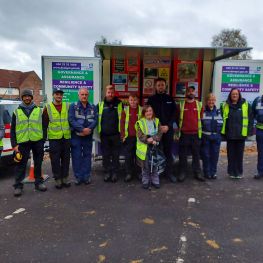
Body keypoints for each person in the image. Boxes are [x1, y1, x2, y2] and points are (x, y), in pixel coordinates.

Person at [11, 89, 47, 197]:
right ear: (22, 98)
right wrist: (14, 145)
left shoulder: (39, 110)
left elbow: (44, 126)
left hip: (37, 141)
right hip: (23, 142)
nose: (27, 98)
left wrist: (43, 139)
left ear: (31, 98)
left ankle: (38, 183)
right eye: (25, 96)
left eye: (29, 96)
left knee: (38, 163)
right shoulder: (16, 112)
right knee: (20, 165)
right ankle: (18, 186)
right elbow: (13, 129)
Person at [147, 77, 177, 183]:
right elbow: (148, 115)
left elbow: (174, 114)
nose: (160, 87)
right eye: (159, 85)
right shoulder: (151, 99)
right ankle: (156, 174)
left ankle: (169, 173)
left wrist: (168, 126)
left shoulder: (170, 99)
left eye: (162, 85)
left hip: (168, 130)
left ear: (165, 86)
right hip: (155, 130)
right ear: (155, 86)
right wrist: (158, 126)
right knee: (156, 152)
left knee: (168, 152)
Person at [221, 88, 253, 179]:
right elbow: (224, 119)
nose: (234, 95)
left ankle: (238, 172)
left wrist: (249, 131)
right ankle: (231, 172)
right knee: (230, 155)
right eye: (233, 94)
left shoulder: (246, 105)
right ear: (230, 95)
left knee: (239, 155)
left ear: (239, 95)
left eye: (236, 94)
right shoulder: (225, 105)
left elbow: (250, 119)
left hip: (240, 135)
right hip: (230, 134)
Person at [43, 88, 71, 189]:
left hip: (66, 137)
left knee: (66, 159)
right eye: (57, 94)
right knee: (55, 160)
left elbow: (71, 120)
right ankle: (57, 179)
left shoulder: (67, 106)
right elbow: (44, 124)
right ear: (53, 95)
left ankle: (65, 178)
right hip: (54, 139)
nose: (59, 96)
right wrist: (43, 139)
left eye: (61, 94)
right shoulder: (48, 107)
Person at [68, 87, 98, 185]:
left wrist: (89, 129)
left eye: (86, 94)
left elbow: (96, 120)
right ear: (78, 95)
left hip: (88, 136)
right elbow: (71, 120)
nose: (84, 96)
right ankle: (78, 177)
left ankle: (86, 177)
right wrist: (82, 129)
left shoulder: (93, 107)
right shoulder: (73, 106)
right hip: (76, 136)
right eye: (82, 94)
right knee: (76, 157)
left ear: (88, 95)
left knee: (87, 156)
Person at [177, 85, 205, 182]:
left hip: (196, 134)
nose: (191, 93)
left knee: (196, 154)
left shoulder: (199, 105)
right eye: (189, 91)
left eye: (193, 91)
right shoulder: (180, 104)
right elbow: (177, 119)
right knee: (183, 155)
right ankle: (182, 172)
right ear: (186, 93)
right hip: (184, 134)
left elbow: (201, 119)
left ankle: (197, 172)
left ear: (195, 93)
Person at [97, 85, 123, 183]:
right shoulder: (100, 105)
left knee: (116, 155)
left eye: (112, 92)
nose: (110, 94)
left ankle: (115, 173)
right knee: (106, 155)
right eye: (108, 92)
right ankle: (107, 172)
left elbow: (124, 119)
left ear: (114, 93)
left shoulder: (120, 104)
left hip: (116, 134)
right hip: (104, 135)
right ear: (106, 93)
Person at [135, 105, 162, 189]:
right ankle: (145, 181)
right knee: (145, 165)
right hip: (144, 147)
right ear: (143, 113)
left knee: (155, 164)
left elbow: (160, 132)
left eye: (150, 110)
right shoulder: (140, 122)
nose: (149, 113)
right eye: (146, 111)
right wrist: (148, 140)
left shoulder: (157, 121)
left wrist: (154, 139)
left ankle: (155, 180)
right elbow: (140, 135)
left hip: (154, 145)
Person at [120, 93, 142, 182]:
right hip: (128, 138)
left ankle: (139, 173)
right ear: (128, 101)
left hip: (139, 138)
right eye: (131, 100)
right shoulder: (125, 110)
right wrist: (122, 136)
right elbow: (121, 124)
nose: (133, 102)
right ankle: (129, 173)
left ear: (138, 101)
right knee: (128, 157)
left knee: (139, 157)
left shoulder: (141, 110)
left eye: (135, 100)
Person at [201, 93, 223, 179]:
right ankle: (207, 172)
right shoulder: (202, 111)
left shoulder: (219, 111)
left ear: (215, 101)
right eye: (209, 100)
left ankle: (213, 172)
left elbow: (222, 123)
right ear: (206, 101)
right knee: (206, 155)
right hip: (205, 138)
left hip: (216, 137)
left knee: (215, 155)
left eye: (213, 100)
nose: (211, 101)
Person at [252, 94, 263, 179]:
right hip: (260, 131)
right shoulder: (257, 100)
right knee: (261, 153)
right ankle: (260, 171)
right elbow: (252, 113)